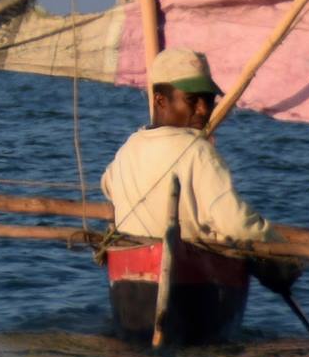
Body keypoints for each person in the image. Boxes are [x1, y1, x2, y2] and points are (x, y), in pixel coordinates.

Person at [100, 46, 271, 246]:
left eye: (208, 99)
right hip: (189, 266)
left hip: (132, 257)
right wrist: (279, 244)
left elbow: (108, 185)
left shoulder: (129, 147)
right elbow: (236, 225)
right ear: (160, 100)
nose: (204, 109)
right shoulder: (199, 152)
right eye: (192, 100)